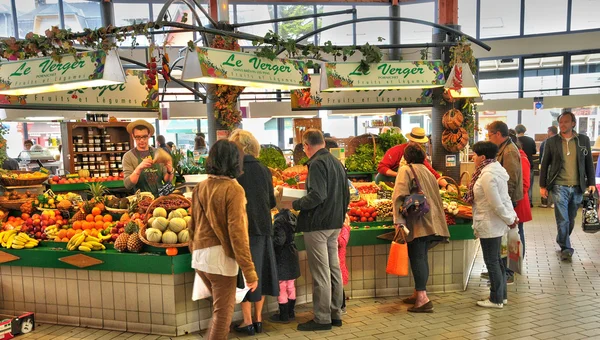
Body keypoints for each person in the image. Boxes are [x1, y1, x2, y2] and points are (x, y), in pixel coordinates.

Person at [277, 129, 349, 331]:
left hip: (318, 225)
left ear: (306, 145)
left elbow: (317, 195)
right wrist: (340, 217)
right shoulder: (336, 162)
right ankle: (336, 313)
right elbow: (346, 195)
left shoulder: (317, 164)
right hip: (335, 223)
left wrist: (295, 204)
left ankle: (322, 318)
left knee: (321, 273)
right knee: (333, 269)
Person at [189, 140, 258, 340]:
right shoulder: (233, 189)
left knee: (219, 309)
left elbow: (191, 225)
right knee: (223, 313)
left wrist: (194, 250)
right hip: (220, 258)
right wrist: (250, 271)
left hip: (200, 257)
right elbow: (237, 233)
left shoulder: (201, 186)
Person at [228, 130, 279, 336]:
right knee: (262, 271)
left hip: (243, 229)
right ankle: (259, 319)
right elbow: (272, 202)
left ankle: (247, 322)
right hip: (264, 227)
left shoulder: (233, 171)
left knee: (245, 274)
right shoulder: (264, 169)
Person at [392, 144, 450, 313]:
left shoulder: (406, 170)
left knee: (417, 258)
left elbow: (399, 196)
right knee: (421, 257)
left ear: (406, 157)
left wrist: (399, 221)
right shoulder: (427, 170)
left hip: (417, 222)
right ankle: (418, 293)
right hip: (431, 220)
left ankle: (423, 299)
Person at [466, 141, 518, 309]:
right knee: (497, 260)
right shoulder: (496, 169)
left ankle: (495, 299)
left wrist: (510, 219)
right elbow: (505, 198)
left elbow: (496, 202)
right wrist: (510, 217)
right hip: (495, 223)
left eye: (474, 154)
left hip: (490, 223)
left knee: (492, 261)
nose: (472, 157)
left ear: (482, 157)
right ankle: (501, 296)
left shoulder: (488, 175)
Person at [539, 111, 595, 262]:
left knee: (571, 218)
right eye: (560, 122)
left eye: (565, 122)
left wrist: (591, 182)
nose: (562, 125)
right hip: (559, 185)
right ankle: (566, 248)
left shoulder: (583, 140)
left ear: (573, 123)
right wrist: (542, 185)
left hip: (577, 186)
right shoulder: (552, 142)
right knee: (562, 219)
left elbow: (588, 162)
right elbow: (545, 164)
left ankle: (562, 238)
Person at [376, 127, 451, 190]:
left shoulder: (419, 154)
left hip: (401, 185)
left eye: (421, 144)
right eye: (418, 143)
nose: (419, 146)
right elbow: (381, 167)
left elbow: (432, 173)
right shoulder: (396, 151)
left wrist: (447, 185)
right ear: (410, 141)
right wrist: (399, 174)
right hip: (385, 182)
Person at [505, 134, 532, 282]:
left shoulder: (521, 158)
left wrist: (511, 199)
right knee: (513, 236)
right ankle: (511, 268)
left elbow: (525, 183)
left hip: (518, 204)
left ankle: (513, 268)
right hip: (513, 203)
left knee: (516, 236)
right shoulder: (515, 156)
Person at [122, 120, 174, 197]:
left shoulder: (159, 153)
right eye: (138, 137)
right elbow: (128, 185)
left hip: (160, 198)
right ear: (133, 136)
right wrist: (139, 168)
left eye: (144, 136)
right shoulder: (128, 156)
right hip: (141, 200)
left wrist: (170, 171)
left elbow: (167, 180)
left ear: (149, 135)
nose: (142, 140)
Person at [269, 209, 301, 324]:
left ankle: (283, 315)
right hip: (292, 253)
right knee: (291, 284)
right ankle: (291, 312)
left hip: (282, 256)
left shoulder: (278, 220)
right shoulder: (292, 217)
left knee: (282, 285)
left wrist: (270, 241)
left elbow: (280, 240)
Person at [486, 121, 523, 206]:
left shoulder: (509, 151)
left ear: (498, 134)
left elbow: (511, 179)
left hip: (506, 198)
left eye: (490, 136)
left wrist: (504, 201)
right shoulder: (503, 147)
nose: (489, 139)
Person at [515, 124, 537, 207]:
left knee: (520, 186)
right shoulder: (530, 140)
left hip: (518, 166)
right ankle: (529, 202)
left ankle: (521, 202)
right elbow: (534, 152)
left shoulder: (515, 141)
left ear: (516, 131)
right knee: (529, 185)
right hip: (529, 165)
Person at [540, 126, 558, 208]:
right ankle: (554, 202)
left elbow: (542, 155)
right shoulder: (561, 141)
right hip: (557, 167)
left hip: (549, 166)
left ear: (550, 132)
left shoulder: (546, 142)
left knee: (547, 183)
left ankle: (545, 202)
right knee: (555, 184)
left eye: (548, 131)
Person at [338, 215, 351, 314]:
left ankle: (342, 306)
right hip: (337, 259)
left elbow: (342, 242)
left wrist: (334, 236)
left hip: (339, 260)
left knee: (338, 283)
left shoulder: (345, 229)